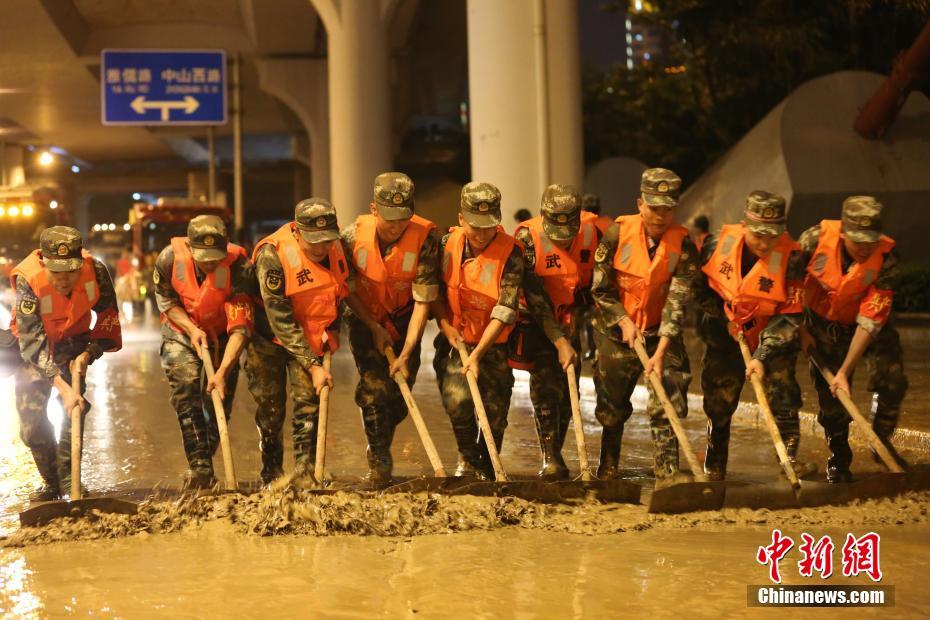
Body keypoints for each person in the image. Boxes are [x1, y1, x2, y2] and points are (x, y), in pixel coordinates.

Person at [246, 198, 382, 485]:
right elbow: (279, 318)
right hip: (269, 338)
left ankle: (306, 473)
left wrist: (372, 325)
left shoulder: (337, 250)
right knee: (270, 410)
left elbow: (345, 292)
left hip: (311, 336)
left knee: (309, 404)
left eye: (326, 240)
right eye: (314, 242)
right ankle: (271, 474)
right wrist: (313, 364)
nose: (321, 248)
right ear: (297, 231)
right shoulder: (272, 255)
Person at [694, 190, 813, 481]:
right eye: (758, 235)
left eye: (772, 236)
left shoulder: (792, 258)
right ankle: (715, 461)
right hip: (725, 335)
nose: (764, 243)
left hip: (771, 336)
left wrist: (761, 355)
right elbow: (698, 290)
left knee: (783, 395)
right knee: (719, 398)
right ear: (744, 225)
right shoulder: (713, 247)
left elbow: (790, 314)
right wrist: (724, 319)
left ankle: (788, 460)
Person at [590, 169, 697, 488]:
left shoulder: (684, 245)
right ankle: (608, 466)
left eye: (667, 208)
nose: (660, 215)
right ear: (640, 204)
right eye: (654, 207)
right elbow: (599, 289)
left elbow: (677, 301)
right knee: (612, 404)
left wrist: (662, 349)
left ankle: (668, 474)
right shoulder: (616, 234)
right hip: (615, 331)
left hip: (660, 330)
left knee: (668, 396)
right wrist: (623, 321)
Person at [798, 196, 908, 482]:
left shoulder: (887, 258)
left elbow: (871, 320)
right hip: (822, 325)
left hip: (868, 327)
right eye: (857, 240)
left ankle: (880, 441)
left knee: (892, 379)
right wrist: (802, 329)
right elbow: (790, 288)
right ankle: (839, 459)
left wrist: (845, 371)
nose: (864, 248)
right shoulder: (812, 242)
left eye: (870, 241)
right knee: (832, 401)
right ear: (844, 232)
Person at [341, 172, 441, 483]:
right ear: (374, 209)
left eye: (403, 218)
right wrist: (373, 326)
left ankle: (381, 437)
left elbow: (423, 301)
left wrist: (407, 351)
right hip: (363, 318)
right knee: (374, 389)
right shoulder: (349, 238)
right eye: (389, 219)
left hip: (405, 318)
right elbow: (349, 290)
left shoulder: (425, 240)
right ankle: (379, 458)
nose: (396, 226)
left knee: (398, 399)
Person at [11, 226, 122, 500]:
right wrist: (63, 387)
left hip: (73, 344)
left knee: (73, 414)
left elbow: (108, 319)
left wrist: (87, 354)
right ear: (44, 263)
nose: (63, 280)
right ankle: (53, 482)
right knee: (32, 424)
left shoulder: (95, 271)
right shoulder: (29, 278)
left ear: (80, 264)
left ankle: (71, 483)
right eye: (56, 273)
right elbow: (32, 341)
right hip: (33, 348)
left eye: (70, 272)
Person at [153, 215, 254, 489]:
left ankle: (203, 461)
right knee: (185, 389)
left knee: (218, 400)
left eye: (215, 257)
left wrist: (222, 372)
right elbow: (166, 301)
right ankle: (200, 469)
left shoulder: (240, 267)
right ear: (189, 246)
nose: (209, 263)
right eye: (203, 257)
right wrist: (190, 328)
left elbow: (240, 327)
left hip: (223, 335)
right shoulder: (168, 260)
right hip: (181, 329)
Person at [432, 182, 524, 480]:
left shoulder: (511, 252)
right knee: (456, 401)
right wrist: (445, 326)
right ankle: (468, 460)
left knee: (495, 412)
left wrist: (478, 354)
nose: (482, 234)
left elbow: (505, 308)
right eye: (475, 227)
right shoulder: (445, 244)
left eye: (489, 226)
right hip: (456, 338)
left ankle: (489, 464)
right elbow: (432, 292)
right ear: (461, 218)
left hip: (494, 342)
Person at [514, 184, 594, 479]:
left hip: (571, 317)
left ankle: (557, 451)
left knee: (568, 393)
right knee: (547, 383)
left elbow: (593, 284)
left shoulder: (591, 233)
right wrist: (559, 339)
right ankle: (550, 457)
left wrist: (577, 318)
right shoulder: (527, 239)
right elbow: (534, 297)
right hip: (536, 320)